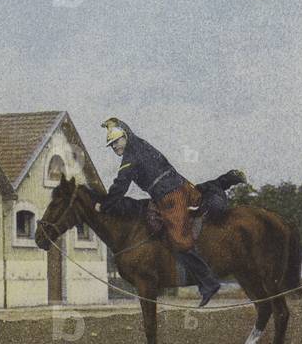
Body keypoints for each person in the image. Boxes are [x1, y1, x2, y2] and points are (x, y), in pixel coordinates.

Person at [95, 117, 221, 306]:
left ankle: (209, 282)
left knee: (179, 240)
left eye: (116, 142)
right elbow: (128, 130)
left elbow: (120, 185)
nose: (114, 147)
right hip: (178, 187)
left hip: (171, 195)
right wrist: (113, 123)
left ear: (125, 138)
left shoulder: (129, 158)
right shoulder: (138, 143)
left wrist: (104, 205)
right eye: (111, 145)